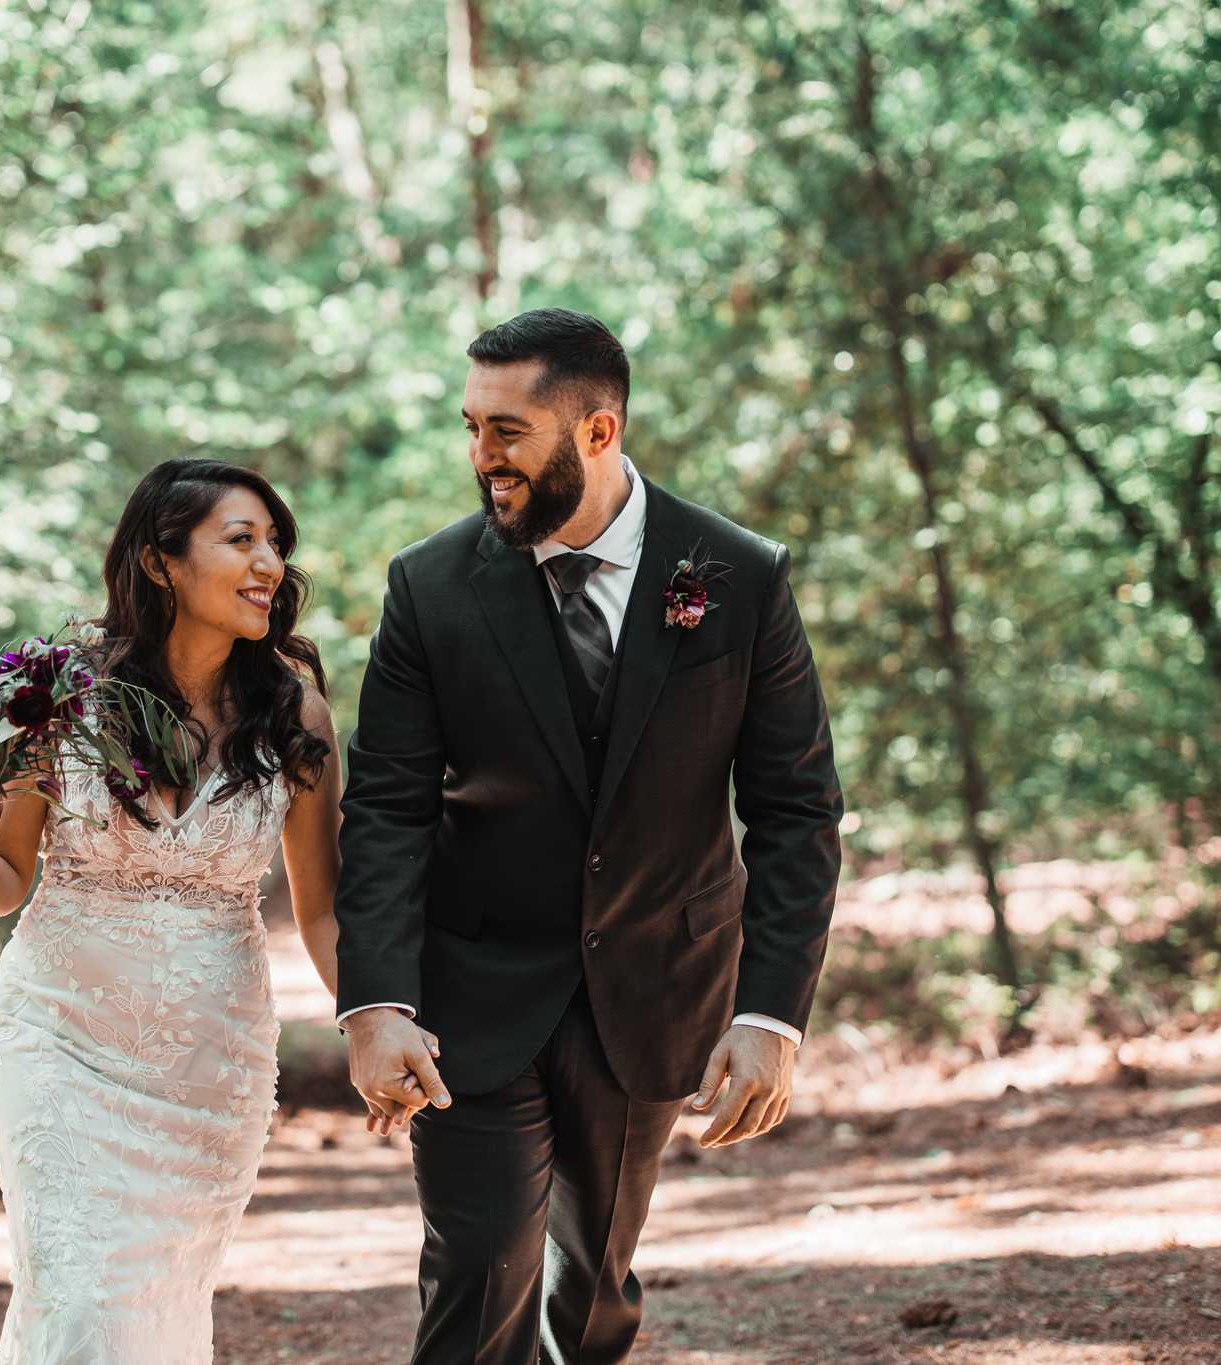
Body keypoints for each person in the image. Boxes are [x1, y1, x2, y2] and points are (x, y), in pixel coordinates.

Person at [335, 308, 845, 1363]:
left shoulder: (738, 577)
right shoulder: (428, 587)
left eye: (506, 431)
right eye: (470, 427)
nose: (480, 458)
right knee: (477, 1265)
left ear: (597, 433)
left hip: (657, 983)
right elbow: (385, 803)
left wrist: (770, 1015)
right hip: (471, 988)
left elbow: (794, 810)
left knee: (593, 1280)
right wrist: (375, 1002)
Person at [0, 459, 407, 1362]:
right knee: (83, 1295)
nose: (270, 563)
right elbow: (10, 871)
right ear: (162, 562)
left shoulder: (295, 715)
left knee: (153, 1311)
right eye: (241, 540)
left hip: (211, 1071)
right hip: (59, 1042)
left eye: (276, 543)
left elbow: (324, 913)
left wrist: (373, 1021)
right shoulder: (59, 696)